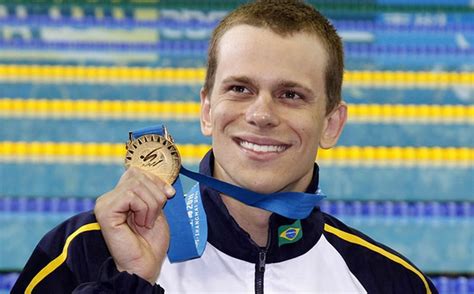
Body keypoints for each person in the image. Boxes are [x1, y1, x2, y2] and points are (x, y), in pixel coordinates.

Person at [12, 0, 438, 293]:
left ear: (331, 123)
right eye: (240, 88)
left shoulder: (390, 281)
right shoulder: (87, 250)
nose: (261, 114)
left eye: (291, 94)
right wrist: (132, 282)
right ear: (206, 109)